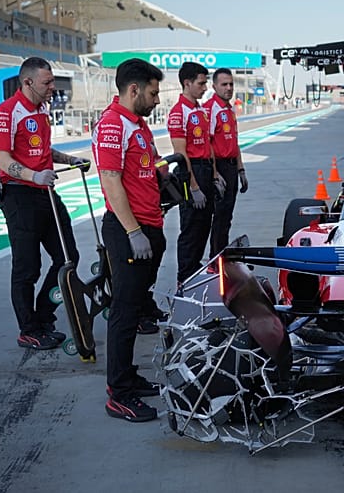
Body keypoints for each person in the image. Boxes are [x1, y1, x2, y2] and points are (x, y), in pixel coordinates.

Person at [0, 56, 90, 351]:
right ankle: (28, 329)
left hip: (45, 192)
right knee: (27, 267)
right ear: (28, 82)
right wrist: (35, 176)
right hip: (20, 195)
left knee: (68, 257)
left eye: (53, 82)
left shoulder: (41, 111)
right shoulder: (7, 112)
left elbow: (43, 149)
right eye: (47, 83)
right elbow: (3, 161)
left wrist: (70, 160)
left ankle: (44, 317)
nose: (52, 88)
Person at [92, 58, 165, 422]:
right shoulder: (112, 124)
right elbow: (110, 180)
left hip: (149, 228)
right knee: (123, 312)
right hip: (128, 231)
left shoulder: (138, 126)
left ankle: (127, 377)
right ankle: (118, 394)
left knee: (135, 309)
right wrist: (134, 232)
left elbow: (150, 167)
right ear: (133, 89)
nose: (156, 101)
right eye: (152, 94)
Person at [169, 62, 222, 285]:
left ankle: (194, 271)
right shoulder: (178, 112)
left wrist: (216, 175)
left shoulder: (200, 109)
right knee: (191, 229)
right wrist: (193, 187)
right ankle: (184, 278)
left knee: (204, 226)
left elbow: (208, 145)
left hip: (206, 170)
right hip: (191, 173)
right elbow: (181, 154)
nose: (204, 87)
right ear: (187, 83)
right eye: (201, 83)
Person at [204, 67, 248, 258]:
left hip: (231, 167)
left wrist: (241, 169)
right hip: (219, 167)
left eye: (231, 84)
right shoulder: (210, 109)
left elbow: (234, 142)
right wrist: (215, 174)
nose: (229, 88)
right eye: (224, 84)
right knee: (219, 217)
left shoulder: (230, 110)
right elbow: (209, 144)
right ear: (214, 86)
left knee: (227, 216)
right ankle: (216, 258)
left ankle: (221, 253)